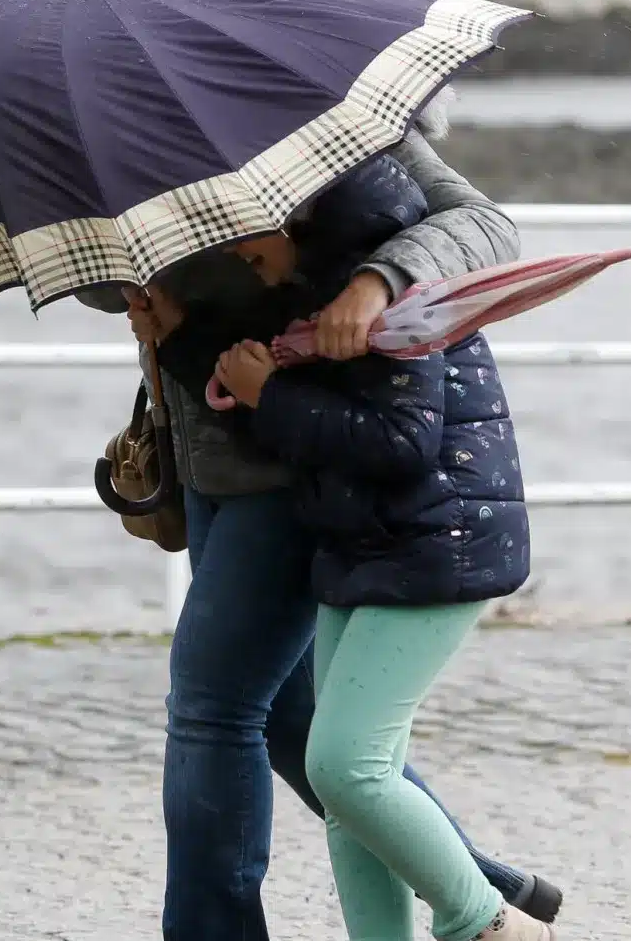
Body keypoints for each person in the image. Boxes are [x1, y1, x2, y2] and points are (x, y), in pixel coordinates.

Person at [78, 102, 561, 940]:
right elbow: (91, 280)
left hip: (303, 456)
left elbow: (478, 225)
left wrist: (374, 282)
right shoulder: (131, 118)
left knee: (215, 707)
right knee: (302, 727)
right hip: (207, 445)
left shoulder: (327, 112)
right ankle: (482, 882)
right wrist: (126, 260)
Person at [202, 157, 548, 940]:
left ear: (292, 211)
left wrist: (272, 394)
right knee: (354, 790)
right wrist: (222, 366)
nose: (231, 248)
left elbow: (402, 444)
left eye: (242, 227)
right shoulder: (317, 297)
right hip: (364, 548)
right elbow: (303, 420)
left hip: (439, 546)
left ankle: (489, 924)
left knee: (344, 768)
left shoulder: (389, 298)